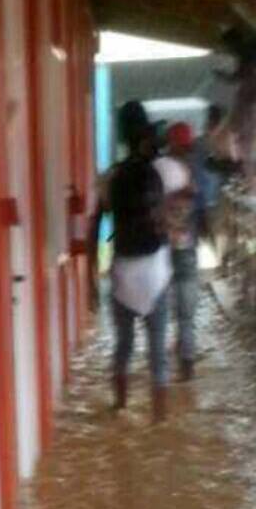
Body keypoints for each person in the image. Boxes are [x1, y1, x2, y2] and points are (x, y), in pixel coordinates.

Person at [89, 100, 189, 420]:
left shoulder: (110, 176)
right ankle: (158, 420)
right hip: (156, 272)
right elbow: (191, 189)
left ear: (121, 136)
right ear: (147, 133)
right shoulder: (164, 169)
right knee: (157, 352)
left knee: (123, 347)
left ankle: (119, 407)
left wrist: (90, 278)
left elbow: (95, 225)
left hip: (122, 274)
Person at [165, 121, 201, 382]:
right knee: (186, 316)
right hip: (186, 251)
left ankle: (166, 369)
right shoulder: (193, 173)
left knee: (162, 314)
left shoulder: (160, 171)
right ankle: (186, 366)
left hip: (163, 252)